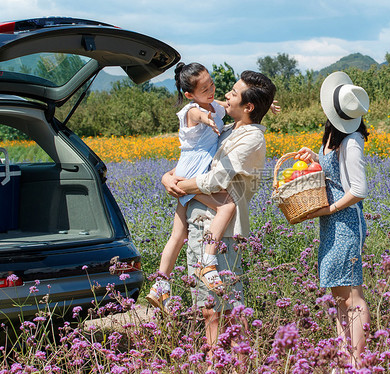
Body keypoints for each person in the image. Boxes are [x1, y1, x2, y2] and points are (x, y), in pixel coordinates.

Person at [146, 63, 279, 310]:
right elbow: (198, 153)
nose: (223, 95)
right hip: (201, 222)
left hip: (222, 231)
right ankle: (167, 281)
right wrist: (167, 177)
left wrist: (181, 185)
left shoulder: (250, 136)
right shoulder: (220, 125)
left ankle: (163, 283)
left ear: (248, 106)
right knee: (208, 309)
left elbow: (214, 179)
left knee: (223, 308)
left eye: (233, 93)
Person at [295, 71, 372, 368]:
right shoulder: (333, 136)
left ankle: (358, 363)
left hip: (346, 223)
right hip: (332, 223)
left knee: (352, 294)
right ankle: (345, 358)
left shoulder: (351, 142)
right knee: (339, 295)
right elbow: (333, 174)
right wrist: (314, 158)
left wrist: (328, 209)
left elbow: (358, 190)